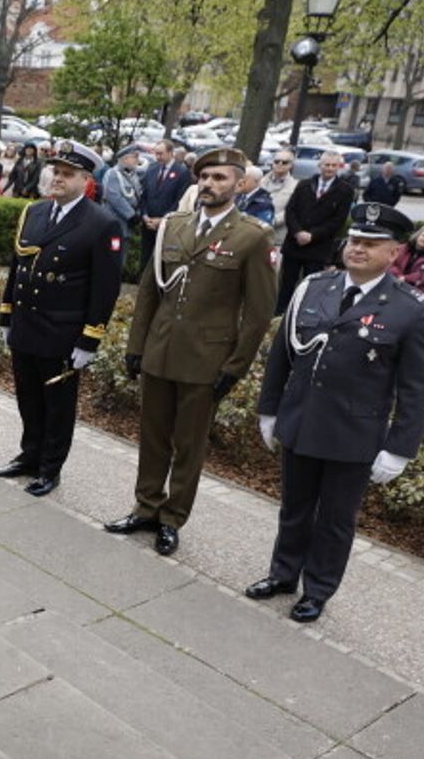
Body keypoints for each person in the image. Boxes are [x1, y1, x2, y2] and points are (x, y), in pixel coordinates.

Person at [248, 203, 424, 623]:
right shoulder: (315, 286)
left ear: (394, 253)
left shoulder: (411, 308)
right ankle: (283, 574)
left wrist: (400, 449)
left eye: (372, 244)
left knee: (334, 520)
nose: (358, 249)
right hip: (300, 420)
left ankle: (317, 590)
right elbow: (282, 354)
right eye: (355, 240)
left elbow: (418, 388)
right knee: (294, 508)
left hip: (353, 434)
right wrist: (270, 409)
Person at [104, 148, 276, 555]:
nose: (209, 185)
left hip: (206, 360)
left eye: (220, 178)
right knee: (152, 437)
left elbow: (258, 312)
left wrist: (235, 367)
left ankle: (172, 517)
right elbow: (149, 291)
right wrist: (136, 346)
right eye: (205, 177)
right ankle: (145, 507)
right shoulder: (175, 226)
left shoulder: (252, 236)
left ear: (239, 184)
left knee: (189, 444)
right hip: (160, 351)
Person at [0, 141, 120, 497]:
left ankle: (50, 468)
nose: (57, 179)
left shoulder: (101, 223)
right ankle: (29, 456)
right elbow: (17, 269)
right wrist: (6, 314)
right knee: (27, 398)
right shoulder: (35, 212)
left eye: (67, 174)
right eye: (56, 172)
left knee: (57, 407)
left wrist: (90, 339)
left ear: (85, 179)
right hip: (27, 325)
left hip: (62, 332)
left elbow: (105, 289)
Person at [276, 150, 353, 314]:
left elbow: (338, 221)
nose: (329, 168)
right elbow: (291, 210)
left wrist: (313, 235)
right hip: (294, 244)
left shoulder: (345, 190)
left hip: (318, 247)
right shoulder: (304, 184)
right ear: (320, 165)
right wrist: (298, 232)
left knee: (311, 287)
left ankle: (302, 316)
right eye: (326, 165)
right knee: (286, 285)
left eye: (333, 165)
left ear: (339, 167)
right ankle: (280, 315)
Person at [139, 139, 191, 270]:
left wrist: (162, 219)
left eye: (161, 153)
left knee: (160, 260)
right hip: (148, 223)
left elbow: (179, 200)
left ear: (170, 153)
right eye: (156, 153)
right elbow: (144, 195)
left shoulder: (182, 172)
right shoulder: (152, 169)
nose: (157, 157)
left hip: (167, 225)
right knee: (145, 257)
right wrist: (144, 215)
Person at [390, 224, 424, 305]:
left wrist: (406, 278)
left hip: (418, 287)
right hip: (395, 281)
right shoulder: (402, 248)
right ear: (418, 235)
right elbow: (390, 263)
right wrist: (398, 276)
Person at [99, 146, 142, 241]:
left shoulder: (132, 174)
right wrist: (131, 215)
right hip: (115, 222)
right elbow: (115, 198)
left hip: (126, 225)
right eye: (134, 157)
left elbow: (137, 195)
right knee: (114, 253)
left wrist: (138, 213)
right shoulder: (112, 174)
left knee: (123, 252)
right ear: (126, 159)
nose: (137, 160)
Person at [263, 151, 300, 246]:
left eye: (284, 162)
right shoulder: (260, 181)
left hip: (277, 238)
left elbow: (291, 210)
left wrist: (270, 221)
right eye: (277, 161)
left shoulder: (295, 186)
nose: (280, 164)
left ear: (291, 165)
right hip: (255, 234)